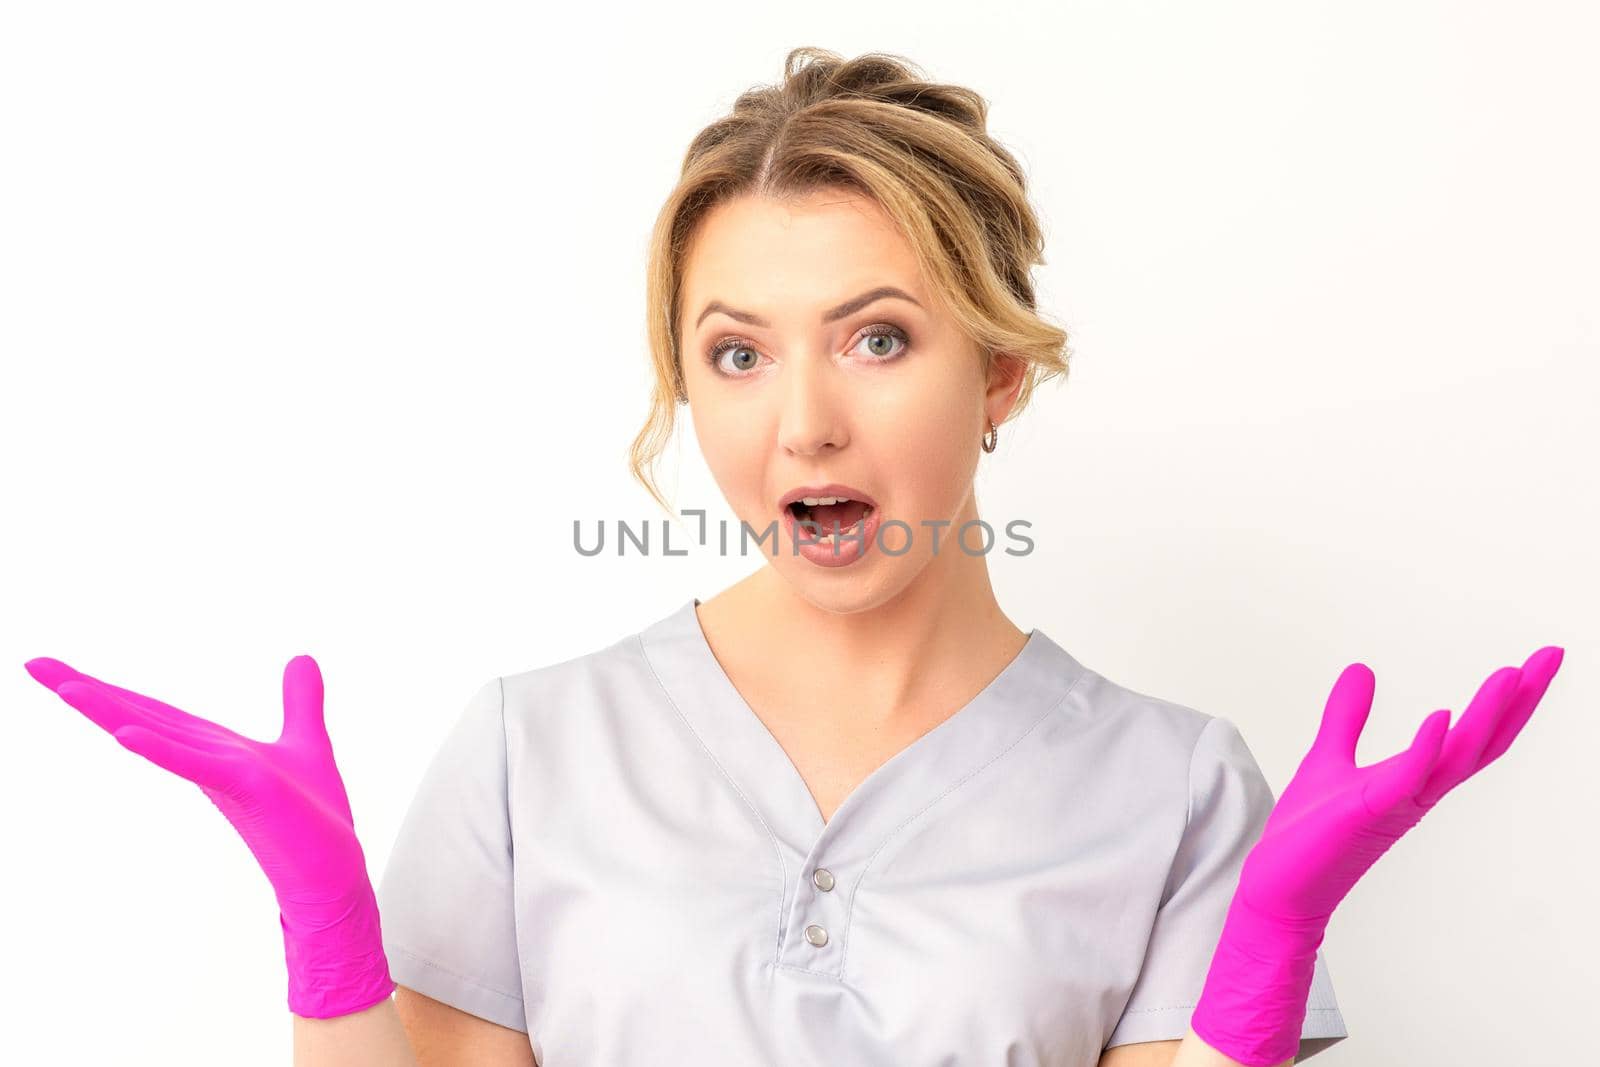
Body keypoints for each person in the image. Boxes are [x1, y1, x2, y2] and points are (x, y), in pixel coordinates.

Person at [25, 47, 1565, 1067]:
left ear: (1002, 372)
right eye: (738, 353)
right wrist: (332, 950)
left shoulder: (1172, 794)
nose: (807, 423)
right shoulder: (529, 752)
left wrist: (1264, 956)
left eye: (877, 339)